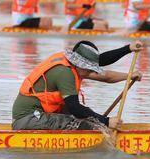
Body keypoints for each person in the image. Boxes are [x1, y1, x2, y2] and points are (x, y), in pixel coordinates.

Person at [12, 40, 143, 130]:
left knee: (89, 120)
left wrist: (128, 52)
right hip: (28, 118)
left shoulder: (74, 66)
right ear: (79, 63)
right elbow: (75, 108)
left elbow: (106, 73)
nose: (91, 71)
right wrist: (106, 121)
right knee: (82, 122)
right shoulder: (65, 73)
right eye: (88, 68)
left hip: (40, 114)